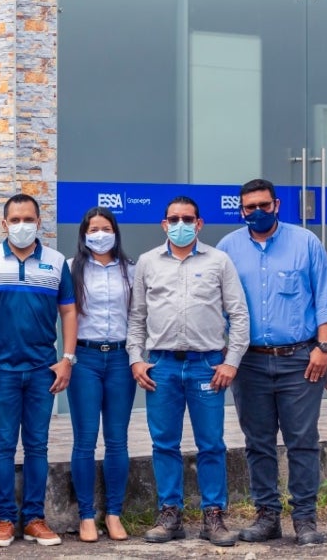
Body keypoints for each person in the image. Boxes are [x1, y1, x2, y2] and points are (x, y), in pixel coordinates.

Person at [217, 178, 327, 546]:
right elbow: (216, 304)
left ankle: (305, 519)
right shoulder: (227, 249)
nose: (257, 212)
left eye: (264, 205)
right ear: (241, 210)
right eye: (250, 207)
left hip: (300, 360)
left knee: (302, 440)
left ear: (277, 205)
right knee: (258, 442)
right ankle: (267, 516)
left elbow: (324, 299)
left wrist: (324, 347)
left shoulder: (306, 242)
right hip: (249, 362)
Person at [128, 196, 249, 546]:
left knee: (211, 443)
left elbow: (238, 314)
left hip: (206, 366)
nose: (180, 224)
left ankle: (214, 516)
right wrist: (136, 358)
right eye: (173, 219)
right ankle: (170, 514)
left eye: (187, 219)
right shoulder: (148, 262)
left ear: (199, 223)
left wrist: (231, 361)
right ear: (164, 224)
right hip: (161, 366)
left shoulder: (218, 261)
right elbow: (136, 317)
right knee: (164, 443)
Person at [0, 193, 76, 548]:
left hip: (42, 371)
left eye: (28, 219)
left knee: (37, 447)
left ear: (39, 222)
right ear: (4, 224)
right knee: (2, 446)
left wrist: (67, 359)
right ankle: (3, 519)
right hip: (1, 371)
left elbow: (69, 312)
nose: (22, 226)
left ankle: (33, 519)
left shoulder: (56, 262)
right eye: (15, 220)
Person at [66, 206, 136, 543]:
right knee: (85, 439)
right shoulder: (71, 268)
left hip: (121, 359)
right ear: (84, 234)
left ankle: (114, 513)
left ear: (115, 232)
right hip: (85, 359)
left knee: (117, 440)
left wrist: (138, 356)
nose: (99, 234)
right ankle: (86, 516)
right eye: (93, 229)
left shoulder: (131, 270)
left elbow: (138, 316)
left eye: (105, 228)